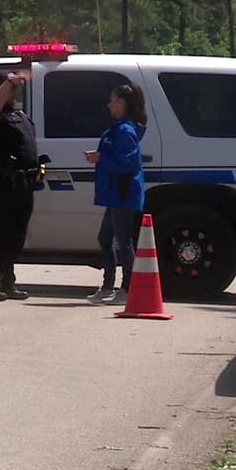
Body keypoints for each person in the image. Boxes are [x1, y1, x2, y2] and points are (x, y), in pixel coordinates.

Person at [0, 70, 39, 301]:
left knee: (16, 236)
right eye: (10, 87)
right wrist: (11, 80)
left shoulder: (18, 114)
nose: (15, 91)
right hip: (1, 185)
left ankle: (7, 282)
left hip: (22, 184)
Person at [84, 83, 148, 304]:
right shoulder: (117, 129)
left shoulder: (125, 131)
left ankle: (128, 288)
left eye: (114, 101)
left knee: (124, 241)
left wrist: (101, 158)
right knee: (105, 238)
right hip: (114, 193)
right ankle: (107, 286)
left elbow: (127, 163)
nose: (109, 105)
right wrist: (100, 156)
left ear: (123, 104)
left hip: (123, 192)